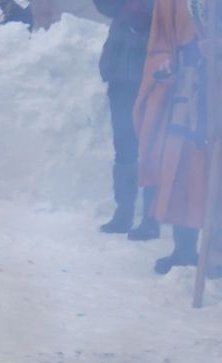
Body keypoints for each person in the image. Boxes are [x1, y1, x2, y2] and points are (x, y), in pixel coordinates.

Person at [133, 0, 222, 274]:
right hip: (185, 87)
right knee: (182, 167)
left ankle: (220, 253)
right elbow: (161, 40)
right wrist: (165, 62)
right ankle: (183, 250)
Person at [94, 0, 159, 240]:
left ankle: (151, 219)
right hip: (120, 89)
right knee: (124, 154)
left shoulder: (158, 21)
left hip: (152, 92)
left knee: (152, 155)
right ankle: (123, 213)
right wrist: (108, 70)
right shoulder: (121, 19)